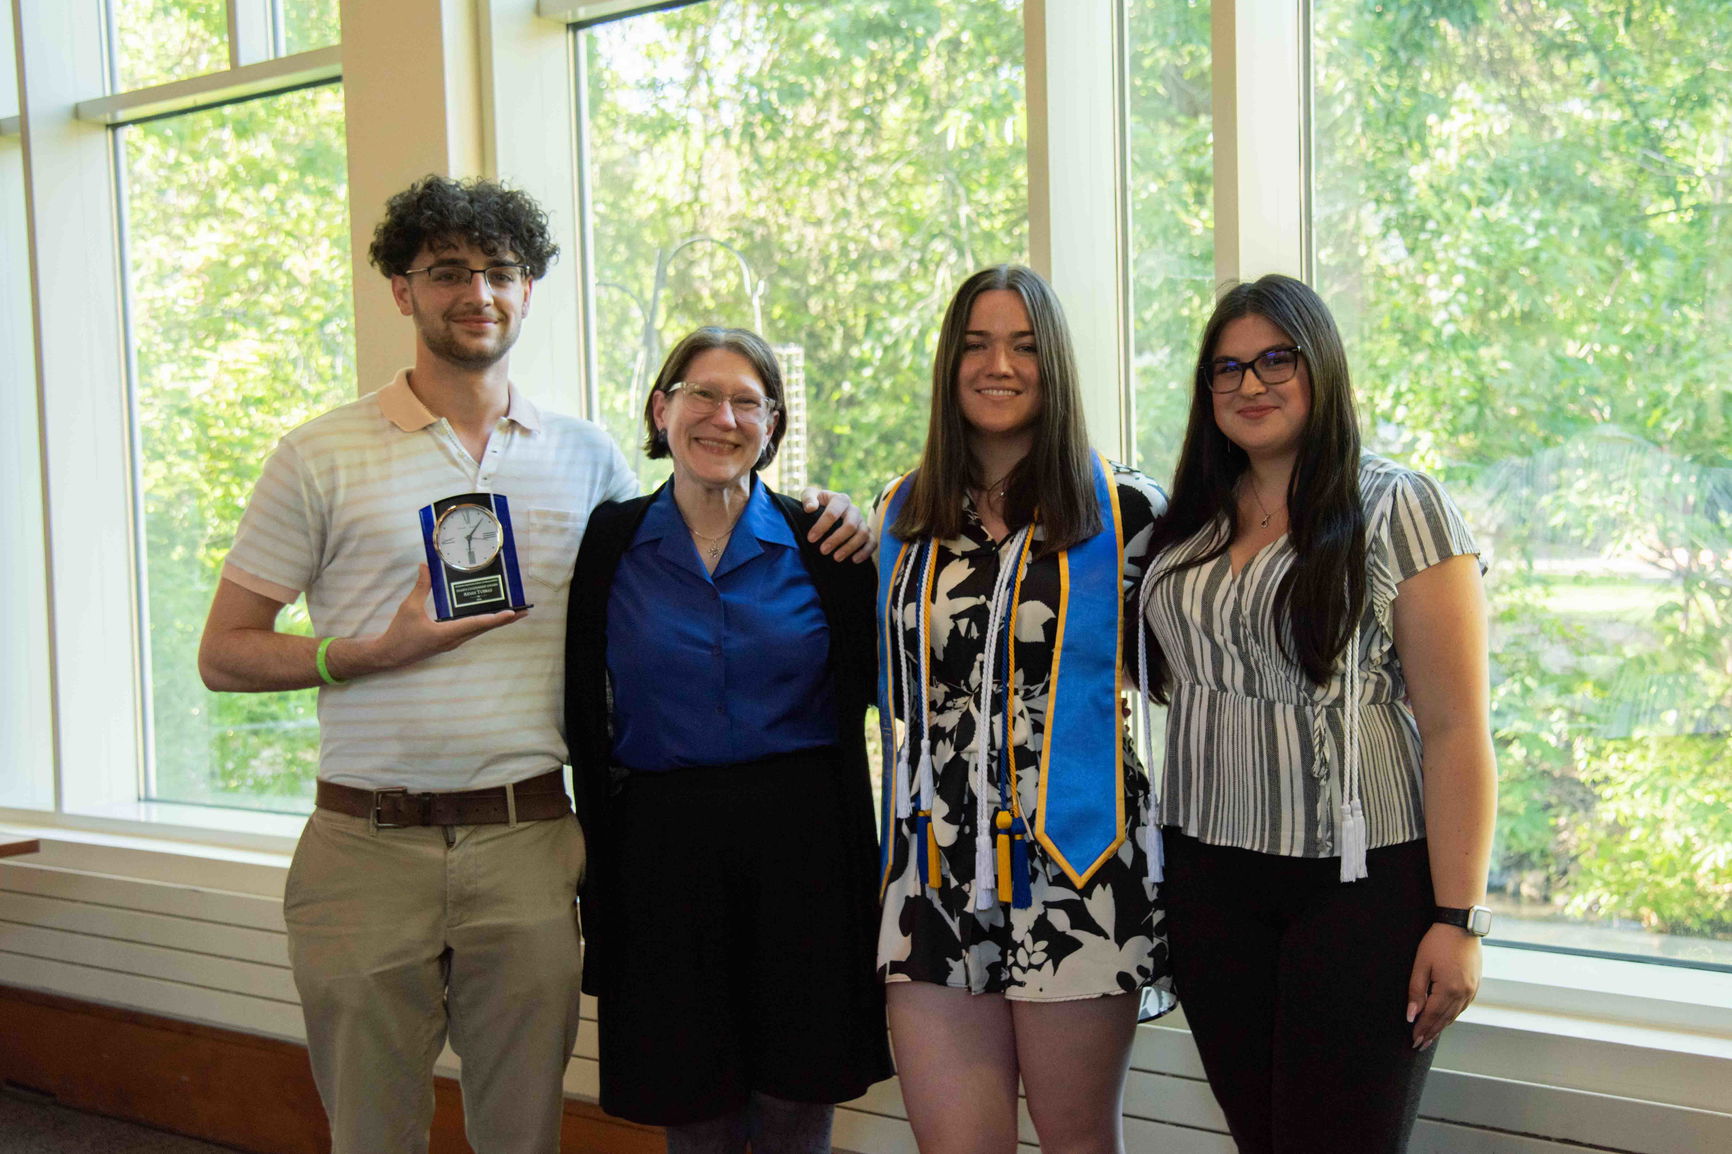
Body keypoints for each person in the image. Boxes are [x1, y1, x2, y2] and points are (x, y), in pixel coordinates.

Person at [197, 176, 867, 1154]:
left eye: (500, 271)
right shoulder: (318, 454)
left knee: (523, 1134)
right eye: (448, 271)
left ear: (528, 289)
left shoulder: (585, 461)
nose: (478, 292)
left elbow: (697, 526)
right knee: (371, 1132)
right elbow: (224, 652)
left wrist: (841, 510)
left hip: (526, 837)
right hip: (366, 837)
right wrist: (367, 651)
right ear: (402, 288)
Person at [1136, 273, 1497, 1153]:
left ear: (1321, 368)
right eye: (1227, 368)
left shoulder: (1397, 504)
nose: (1250, 385)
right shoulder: (1188, 516)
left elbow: (1456, 730)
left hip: (1361, 886)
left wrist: (1458, 922)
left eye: (1275, 360)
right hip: (1209, 873)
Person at [563, 327, 893, 1153]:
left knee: (797, 1093)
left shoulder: (827, 546)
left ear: (773, 425)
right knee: (694, 1101)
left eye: (749, 402)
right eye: (703, 395)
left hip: (806, 849)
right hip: (661, 851)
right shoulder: (610, 542)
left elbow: (886, 694)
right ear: (660, 409)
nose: (724, 417)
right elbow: (582, 706)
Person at [873, 265, 1174, 1154]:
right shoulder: (903, 510)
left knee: (1080, 1143)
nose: (997, 363)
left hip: (1075, 869)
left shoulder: (1127, 511)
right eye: (975, 343)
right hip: (931, 871)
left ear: (1056, 365)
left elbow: (1196, 665)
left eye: (1023, 344)